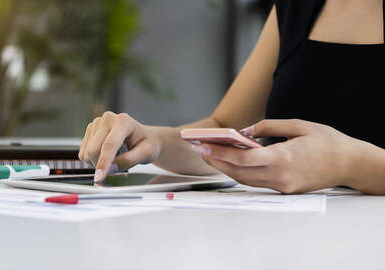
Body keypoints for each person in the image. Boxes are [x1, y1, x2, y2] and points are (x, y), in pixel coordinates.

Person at [79, 0, 385, 195]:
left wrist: (347, 163)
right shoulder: (296, 7)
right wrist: (154, 140)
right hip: (287, 247)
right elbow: (225, 127)